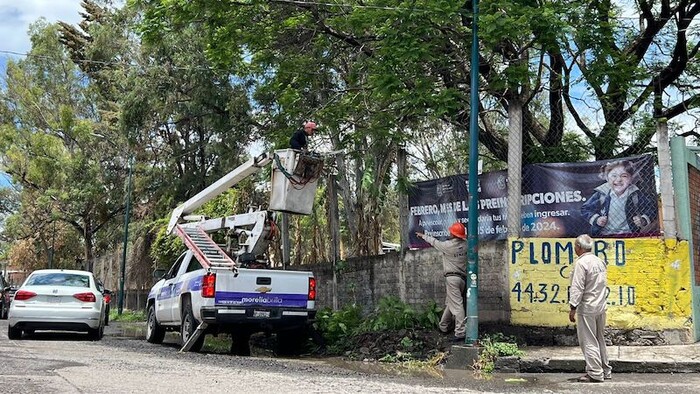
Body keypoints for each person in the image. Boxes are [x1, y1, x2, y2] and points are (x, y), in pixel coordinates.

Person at [568, 234, 611, 383]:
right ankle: (605, 370)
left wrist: (573, 307)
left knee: (588, 340)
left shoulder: (581, 263)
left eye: (575, 246)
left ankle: (595, 372)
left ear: (579, 247)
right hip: (600, 305)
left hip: (587, 307)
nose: (574, 248)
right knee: (600, 339)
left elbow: (577, 287)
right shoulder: (599, 261)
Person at [416, 222, 467, 342]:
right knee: (451, 303)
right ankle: (443, 326)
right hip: (462, 279)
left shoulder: (447, 246)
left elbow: (434, 242)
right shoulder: (466, 245)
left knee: (457, 305)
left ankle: (460, 332)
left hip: (452, 278)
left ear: (453, 234)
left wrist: (423, 236)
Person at [580, 159, 657, 236]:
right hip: (604, 234)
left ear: (631, 179)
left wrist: (643, 219)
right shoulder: (601, 193)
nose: (619, 179)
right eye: (614, 175)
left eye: (624, 176)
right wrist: (596, 219)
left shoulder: (635, 194)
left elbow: (651, 209)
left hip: (629, 234)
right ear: (607, 178)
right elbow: (585, 209)